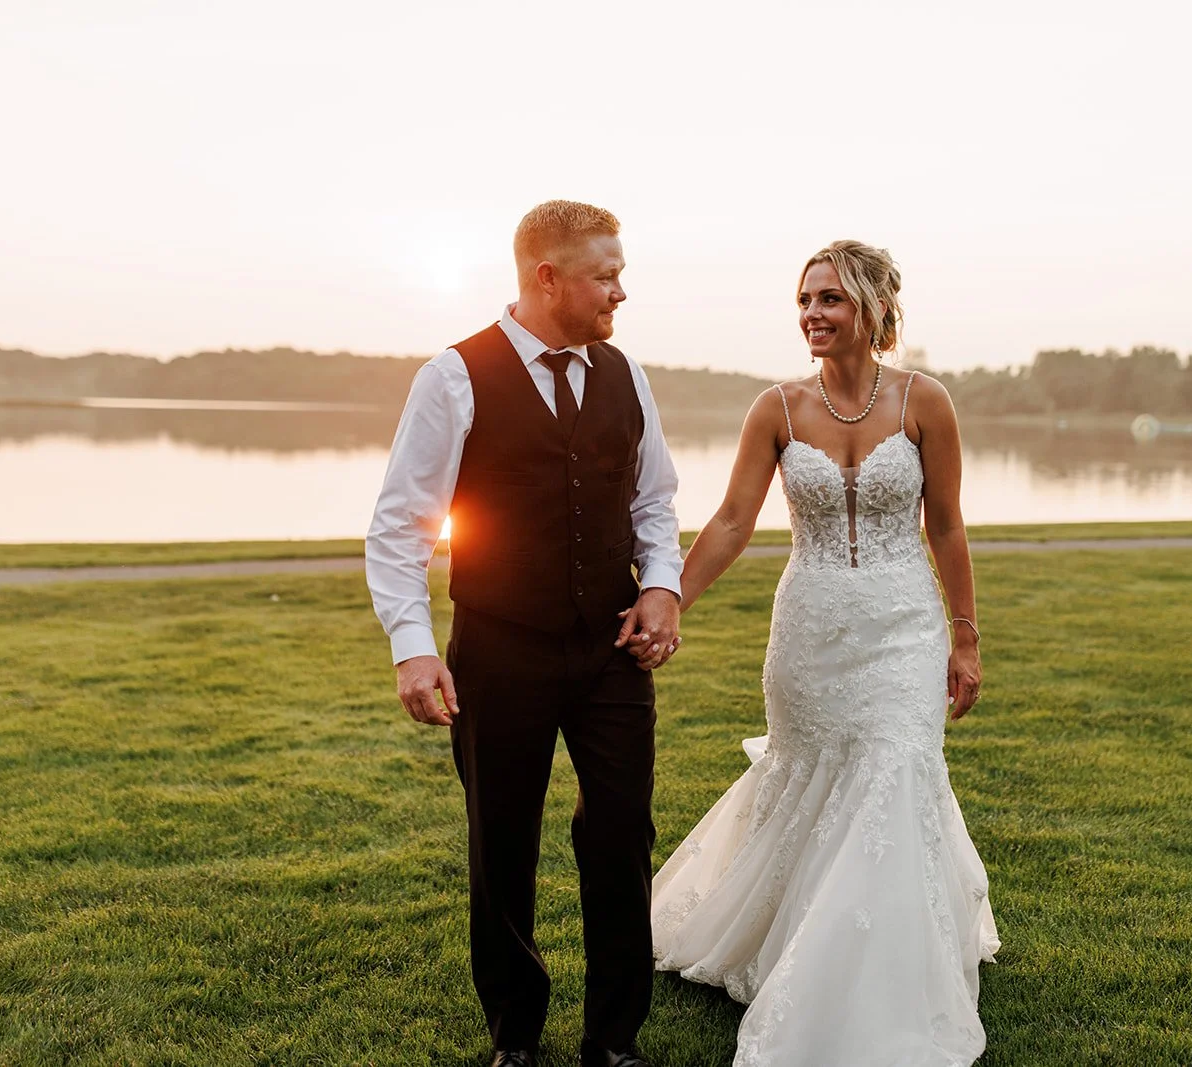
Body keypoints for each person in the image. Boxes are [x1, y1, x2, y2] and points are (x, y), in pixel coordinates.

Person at [650, 240, 999, 1065]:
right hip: (808, 630)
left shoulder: (926, 402)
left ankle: (875, 976)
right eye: (805, 299)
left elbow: (944, 525)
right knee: (810, 775)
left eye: (830, 299)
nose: (812, 313)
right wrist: (670, 601)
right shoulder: (775, 408)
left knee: (893, 768)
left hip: (901, 631)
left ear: (874, 310)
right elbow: (734, 520)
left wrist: (965, 634)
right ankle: (788, 930)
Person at [366, 200, 683, 1067]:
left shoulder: (625, 374)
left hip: (613, 649)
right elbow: (401, 528)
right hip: (500, 646)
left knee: (621, 835)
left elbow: (654, 502)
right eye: (605, 274)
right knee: (500, 839)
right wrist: (414, 643)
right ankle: (517, 1038)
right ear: (548, 278)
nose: (621, 289)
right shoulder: (454, 376)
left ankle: (614, 1042)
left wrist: (662, 588)